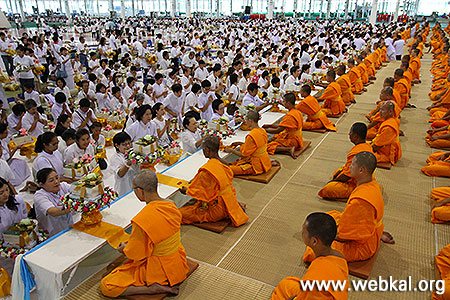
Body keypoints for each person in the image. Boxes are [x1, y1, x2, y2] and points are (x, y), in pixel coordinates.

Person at [101, 170, 189, 298]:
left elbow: (137, 254)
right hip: (178, 263)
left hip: (158, 270)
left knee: (107, 286)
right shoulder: (171, 204)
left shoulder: (142, 219)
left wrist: (124, 249)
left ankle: (151, 289)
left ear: (139, 191)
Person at [303, 152, 394, 263]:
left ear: (361, 170)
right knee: (330, 216)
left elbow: (345, 236)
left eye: (353, 164)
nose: (350, 166)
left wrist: (329, 236)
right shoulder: (372, 184)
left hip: (362, 245)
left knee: (313, 251)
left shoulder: (360, 201)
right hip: (367, 230)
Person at [271, 213, 349, 300]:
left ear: (314, 241)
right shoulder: (339, 257)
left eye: (303, 231)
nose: (301, 232)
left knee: (279, 293)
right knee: (286, 284)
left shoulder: (313, 281)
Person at [179, 135, 248, 226]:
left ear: (207, 150)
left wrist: (186, 191)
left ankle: (224, 213)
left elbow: (199, 193)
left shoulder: (207, 170)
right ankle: (232, 208)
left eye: (203, 149)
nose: (203, 151)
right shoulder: (223, 164)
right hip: (229, 200)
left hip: (217, 208)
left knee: (180, 213)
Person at [319, 123, 374, 200]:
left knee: (328, 189)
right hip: (362, 176)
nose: (349, 134)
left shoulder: (357, 152)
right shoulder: (367, 146)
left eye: (351, 132)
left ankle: (356, 191)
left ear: (356, 136)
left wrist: (333, 181)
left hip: (358, 184)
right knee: (337, 172)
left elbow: (347, 176)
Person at [224, 110, 277, 176]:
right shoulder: (263, 131)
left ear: (251, 121)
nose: (245, 122)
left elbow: (244, 155)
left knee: (227, 169)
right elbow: (256, 146)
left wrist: (231, 150)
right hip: (264, 161)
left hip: (256, 165)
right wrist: (241, 143)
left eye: (246, 120)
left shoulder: (251, 136)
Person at [0, 177, 28, 275]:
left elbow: (25, 217)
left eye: (7, 190)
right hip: (4, 249)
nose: (6, 194)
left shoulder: (17, 200)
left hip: (22, 240)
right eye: (1, 193)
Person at [34, 168, 73, 237]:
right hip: (53, 234)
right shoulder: (39, 196)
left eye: (57, 178)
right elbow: (53, 212)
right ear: (41, 184)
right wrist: (75, 206)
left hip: (69, 226)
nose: (56, 182)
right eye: (51, 180)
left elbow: (77, 192)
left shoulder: (63, 186)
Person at [263, 93, 304, 158]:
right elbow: (284, 126)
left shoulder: (289, 116)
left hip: (292, 141)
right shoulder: (297, 112)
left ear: (288, 103)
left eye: (284, 102)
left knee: (268, 147)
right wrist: (270, 126)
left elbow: (278, 130)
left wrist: (264, 130)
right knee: (276, 137)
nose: (283, 103)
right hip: (298, 138)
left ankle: (288, 149)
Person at [110, 132, 138, 196]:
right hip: (123, 189)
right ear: (117, 145)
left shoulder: (133, 152)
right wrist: (128, 164)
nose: (128, 146)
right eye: (124, 144)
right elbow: (120, 174)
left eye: (129, 143)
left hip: (135, 186)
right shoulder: (115, 158)